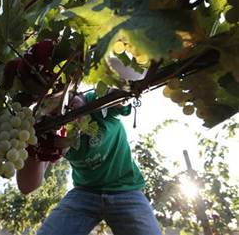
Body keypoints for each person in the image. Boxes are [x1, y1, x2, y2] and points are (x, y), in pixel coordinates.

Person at [17, 64, 162, 235]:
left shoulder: (96, 100)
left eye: (64, 97)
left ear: (72, 88)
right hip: (84, 193)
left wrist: (112, 90)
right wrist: (34, 142)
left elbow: (127, 89)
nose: (66, 108)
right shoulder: (53, 133)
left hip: (126, 189)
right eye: (53, 105)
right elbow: (27, 186)